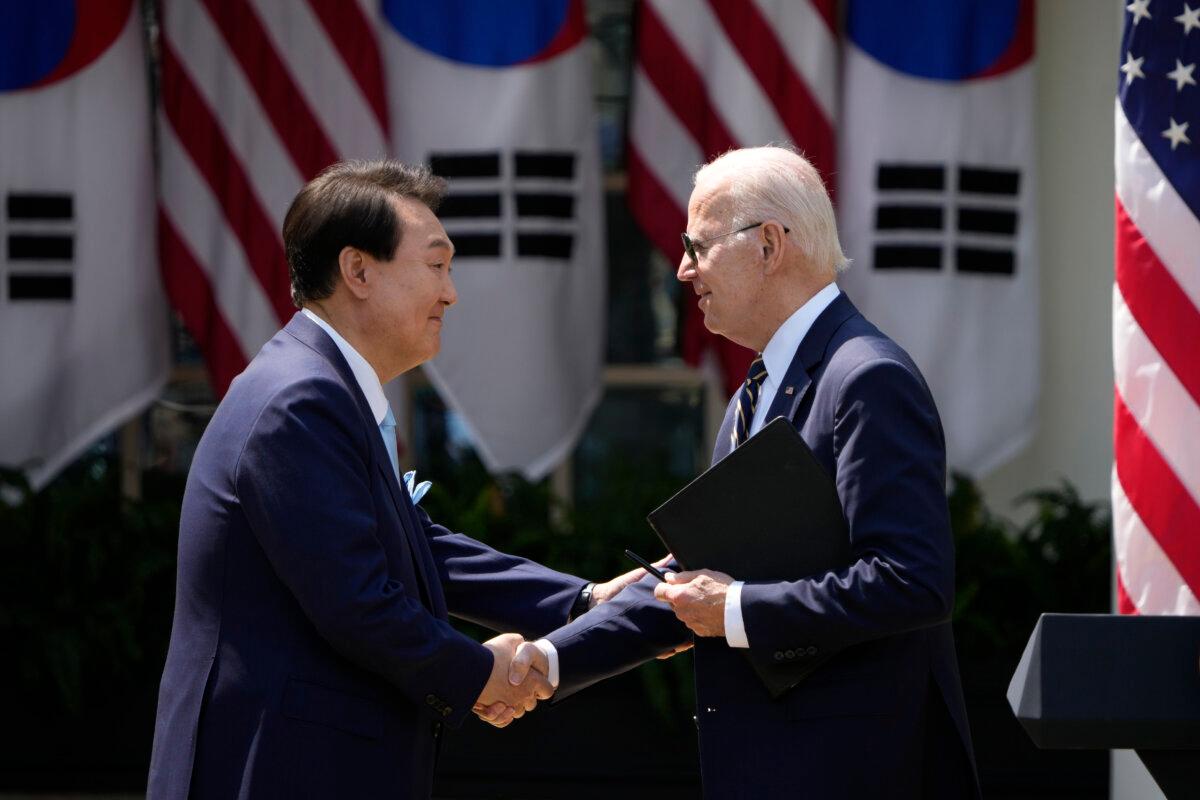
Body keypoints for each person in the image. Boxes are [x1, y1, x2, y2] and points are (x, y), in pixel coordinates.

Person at [146, 160, 644, 799]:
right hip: (276, 766)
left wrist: (582, 601)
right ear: (358, 271)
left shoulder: (320, 386)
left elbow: (416, 545)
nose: (450, 292)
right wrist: (481, 672)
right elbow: (358, 602)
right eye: (435, 265)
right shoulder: (299, 400)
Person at [509, 146, 981, 798]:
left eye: (696, 246)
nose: (681, 269)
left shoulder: (866, 377)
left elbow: (910, 581)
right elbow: (695, 580)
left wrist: (733, 608)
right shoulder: (752, 393)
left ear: (768, 245)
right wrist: (549, 658)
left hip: (857, 769)